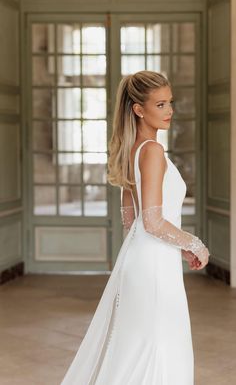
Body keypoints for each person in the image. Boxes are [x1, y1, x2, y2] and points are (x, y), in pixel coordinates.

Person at [60, 70, 210, 385]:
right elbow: (152, 220)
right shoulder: (153, 152)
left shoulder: (133, 151)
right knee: (160, 347)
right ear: (138, 109)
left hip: (141, 261)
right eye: (160, 105)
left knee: (138, 347)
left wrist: (177, 246)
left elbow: (132, 222)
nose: (169, 111)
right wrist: (194, 244)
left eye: (170, 103)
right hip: (154, 267)